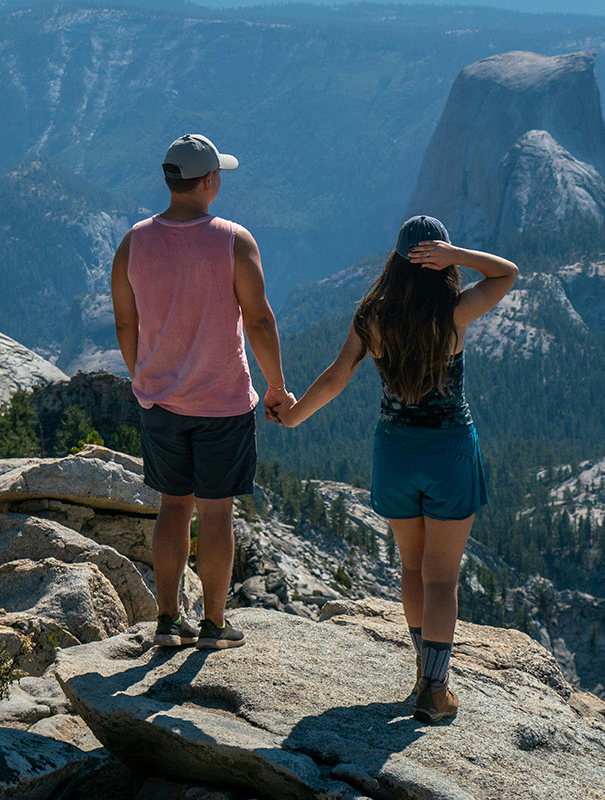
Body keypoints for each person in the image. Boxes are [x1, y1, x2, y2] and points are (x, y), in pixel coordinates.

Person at [276, 215, 517, 722]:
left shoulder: (373, 317)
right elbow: (506, 274)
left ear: (396, 259)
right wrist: (460, 256)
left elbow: (338, 375)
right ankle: (434, 687)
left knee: (412, 568)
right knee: (442, 577)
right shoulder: (452, 312)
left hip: (395, 454)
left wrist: (295, 416)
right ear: (438, 260)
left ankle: (423, 674)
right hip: (449, 452)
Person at [110, 134, 295, 651]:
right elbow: (258, 320)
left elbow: (126, 323)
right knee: (216, 512)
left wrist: (145, 373)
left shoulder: (134, 242)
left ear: (171, 180)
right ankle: (214, 625)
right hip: (222, 402)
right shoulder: (234, 240)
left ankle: (167, 620)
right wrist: (277, 386)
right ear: (210, 181)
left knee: (173, 506)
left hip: (160, 401)